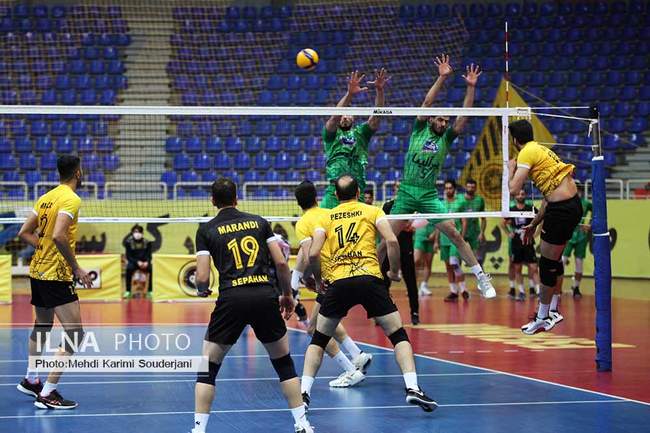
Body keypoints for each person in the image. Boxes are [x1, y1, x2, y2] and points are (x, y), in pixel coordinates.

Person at [302, 175, 437, 412]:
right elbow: (392, 241)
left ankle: (303, 394)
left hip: (339, 282)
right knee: (398, 335)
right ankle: (412, 388)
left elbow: (313, 254)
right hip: (370, 279)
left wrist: (319, 280)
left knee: (319, 340)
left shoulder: (326, 217)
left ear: (336, 195)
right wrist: (393, 271)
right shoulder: (372, 211)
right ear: (358, 193)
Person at [192, 178, 313, 433]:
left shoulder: (206, 230)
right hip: (264, 295)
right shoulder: (259, 222)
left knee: (206, 367)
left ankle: (199, 429)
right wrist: (287, 294)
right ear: (237, 198)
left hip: (231, 299)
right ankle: (302, 424)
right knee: (284, 363)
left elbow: (202, 277)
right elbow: (281, 263)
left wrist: (202, 289)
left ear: (212, 201)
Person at [380, 54, 495, 298]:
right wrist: (442, 77)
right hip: (406, 192)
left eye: (446, 120)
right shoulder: (419, 129)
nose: (443, 123)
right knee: (387, 238)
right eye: (440, 119)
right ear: (432, 118)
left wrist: (470, 88)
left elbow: (464, 116)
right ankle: (367, 276)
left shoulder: (447, 138)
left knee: (454, 233)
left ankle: (481, 277)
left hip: (429, 195)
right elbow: (427, 101)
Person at [17, 154, 93, 409]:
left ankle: (31, 379)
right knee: (75, 334)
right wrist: (77, 268)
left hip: (37, 270)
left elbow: (24, 232)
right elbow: (60, 235)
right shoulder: (71, 199)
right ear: (78, 173)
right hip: (56, 275)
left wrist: (44, 248)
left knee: (42, 325)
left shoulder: (45, 198)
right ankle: (48, 393)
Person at [292, 181, 371, 390]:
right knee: (328, 322)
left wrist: (307, 280)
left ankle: (351, 370)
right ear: (316, 197)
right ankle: (358, 355)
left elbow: (309, 255)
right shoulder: (329, 213)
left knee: (314, 329)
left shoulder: (303, 223)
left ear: (298, 202)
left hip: (329, 280)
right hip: (347, 271)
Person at [508, 119, 583, 335]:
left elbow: (513, 189)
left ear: (515, 140)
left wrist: (510, 169)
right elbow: (549, 197)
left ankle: (542, 317)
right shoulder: (542, 150)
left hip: (561, 211)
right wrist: (534, 223)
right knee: (554, 260)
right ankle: (553, 311)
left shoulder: (526, 153)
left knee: (547, 264)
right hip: (572, 206)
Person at [321, 68, 389, 208]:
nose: (345, 117)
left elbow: (376, 117)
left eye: (348, 114)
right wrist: (350, 94)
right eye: (343, 115)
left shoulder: (361, 133)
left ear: (354, 117)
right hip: (334, 192)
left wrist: (379, 90)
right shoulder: (331, 135)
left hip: (357, 192)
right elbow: (334, 118)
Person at [382, 181, 420, 325]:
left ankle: (415, 313)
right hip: (390, 248)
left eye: (402, 187)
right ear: (394, 189)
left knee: (411, 281)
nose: (399, 189)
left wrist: (408, 225)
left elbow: (414, 224)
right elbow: (384, 226)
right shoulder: (388, 206)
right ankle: (382, 313)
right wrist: (401, 225)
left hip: (406, 248)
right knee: (384, 281)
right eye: (397, 187)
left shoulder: (411, 207)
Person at [501, 189, 540, 301]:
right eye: (518, 194)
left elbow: (541, 219)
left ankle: (538, 291)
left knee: (534, 267)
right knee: (517, 268)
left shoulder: (530, 208)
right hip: (516, 242)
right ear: (515, 197)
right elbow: (503, 223)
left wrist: (536, 233)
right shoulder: (511, 209)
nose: (520, 195)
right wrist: (509, 233)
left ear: (525, 195)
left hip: (528, 241)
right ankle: (521, 291)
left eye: (522, 194)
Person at [434, 180, 468, 302]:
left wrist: (461, 238)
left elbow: (464, 221)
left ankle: (463, 289)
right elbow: (438, 222)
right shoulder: (441, 204)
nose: (448, 190)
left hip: (455, 238)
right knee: (448, 266)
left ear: (454, 189)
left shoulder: (460, 202)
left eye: (450, 188)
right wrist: (436, 241)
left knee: (454, 262)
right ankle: (453, 291)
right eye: (446, 188)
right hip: (444, 239)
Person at [561, 186, 592, 298]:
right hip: (568, 234)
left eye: (579, 189)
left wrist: (589, 224)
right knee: (562, 261)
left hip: (581, 236)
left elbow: (596, 211)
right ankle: (557, 288)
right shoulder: (566, 202)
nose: (577, 191)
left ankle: (576, 287)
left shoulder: (586, 203)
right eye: (575, 189)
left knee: (579, 263)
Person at [458, 179, 486, 266]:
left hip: (474, 231)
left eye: (473, 187)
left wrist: (482, 233)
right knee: (457, 259)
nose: (470, 189)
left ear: (476, 188)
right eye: (469, 187)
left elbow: (483, 219)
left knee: (476, 259)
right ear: (465, 187)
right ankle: (459, 275)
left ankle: (478, 274)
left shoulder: (479, 200)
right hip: (460, 230)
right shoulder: (459, 199)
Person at [122, 224, 152, 298]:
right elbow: (128, 256)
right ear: (132, 233)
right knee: (129, 269)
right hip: (134, 262)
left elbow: (149, 255)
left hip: (144, 262)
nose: (137, 234)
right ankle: (128, 291)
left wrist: (147, 262)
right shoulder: (128, 243)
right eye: (135, 232)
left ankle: (150, 291)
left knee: (151, 269)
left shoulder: (147, 242)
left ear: (142, 233)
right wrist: (137, 262)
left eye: (139, 232)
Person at [413, 220, 436, 298]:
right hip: (420, 236)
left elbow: (439, 224)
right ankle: (413, 286)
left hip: (431, 239)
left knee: (428, 263)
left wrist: (435, 234)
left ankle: (424, 285)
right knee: (416, 261)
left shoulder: (434, 213)